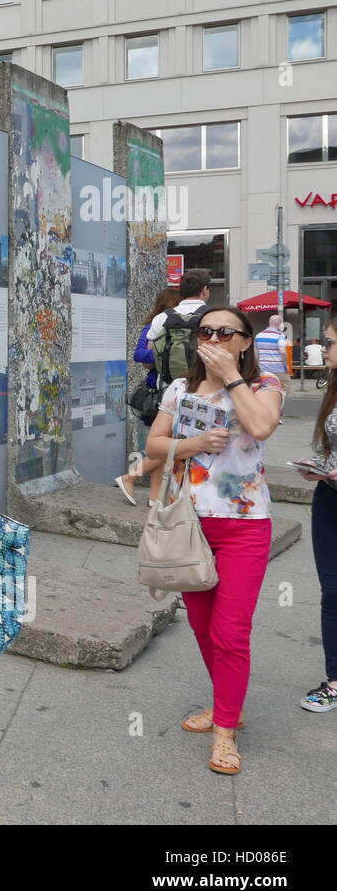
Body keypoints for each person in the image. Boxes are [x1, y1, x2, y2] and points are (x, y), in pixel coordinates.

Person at [145, 307, 285, 775]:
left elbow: (262, 427)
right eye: (206, 331)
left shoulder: (266, 388)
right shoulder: (180, 388)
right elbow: (154, 446)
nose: (214, 338)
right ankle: (230, 705)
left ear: (245, 342)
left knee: (231, 632)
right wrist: (192, 444)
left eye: (226, 333)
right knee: (204, 630)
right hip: (190, 524)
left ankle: (225, 732)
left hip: (244, 526)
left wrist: (230, 378)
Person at [296, 317, 337, 712]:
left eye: (328, 342)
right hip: (329, 498)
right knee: (333, 592)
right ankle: (335, 680)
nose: (322, 348)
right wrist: (317, 465)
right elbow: (330, 444)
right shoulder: (334, 389)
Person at [116, 287, 181, 506]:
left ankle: (154, 497)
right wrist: (164, 352)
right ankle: (130, 477)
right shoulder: (153, 325)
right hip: (160, 393)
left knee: (165, 446)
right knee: (167, 445)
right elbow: (140, 355)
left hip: (167, 390)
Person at [254, 314, 291, 394]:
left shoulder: (258, 335)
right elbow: (282, 352)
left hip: (263, 370)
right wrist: (286, 365)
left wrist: (259, 367)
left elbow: (256, 355)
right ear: (280, 324)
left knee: (266, 391)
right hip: (278, 370)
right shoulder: (280, 336)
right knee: (284, 391)